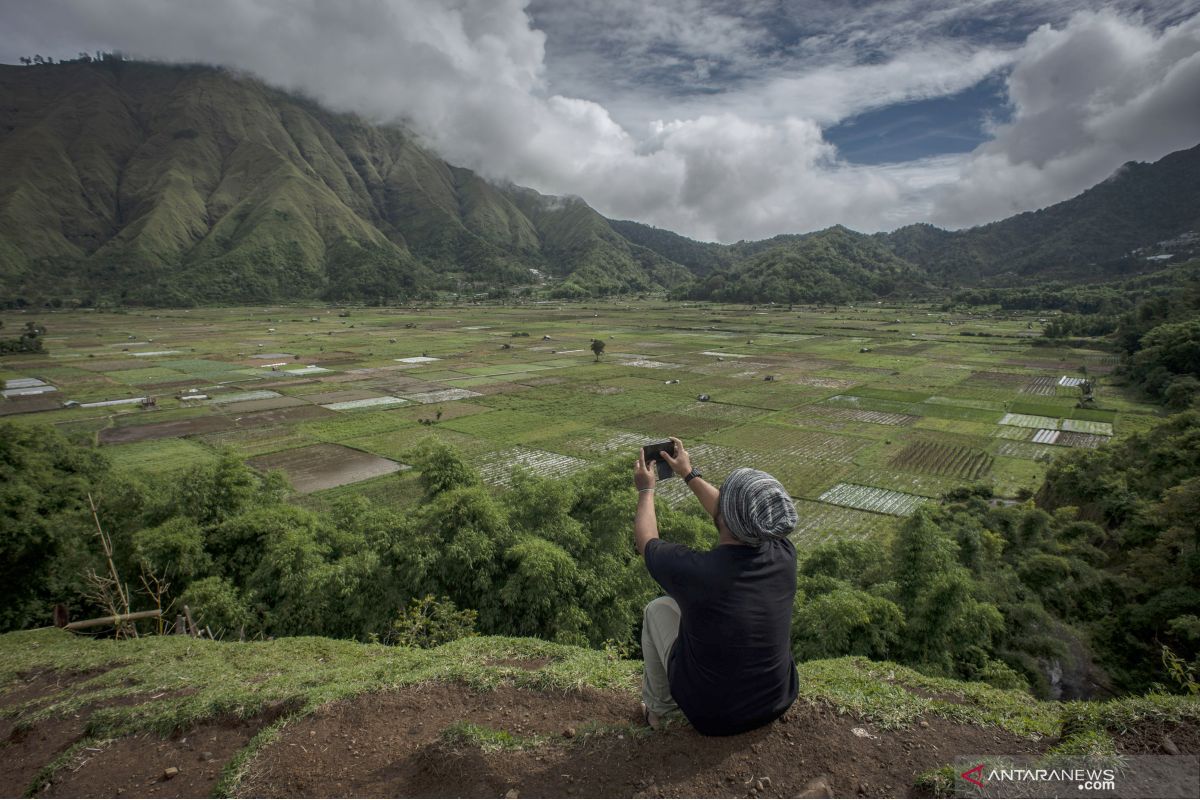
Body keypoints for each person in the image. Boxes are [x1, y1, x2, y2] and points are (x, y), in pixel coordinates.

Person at [632, 437, 798, 735]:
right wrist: (688, 473)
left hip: (712, 716)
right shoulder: (783, 555)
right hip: (775, 701)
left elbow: (647, 542)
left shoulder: (700, 574)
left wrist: (646, 490)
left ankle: (662, 711)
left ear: (725, 515)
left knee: (658, 609)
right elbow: (731, 514)